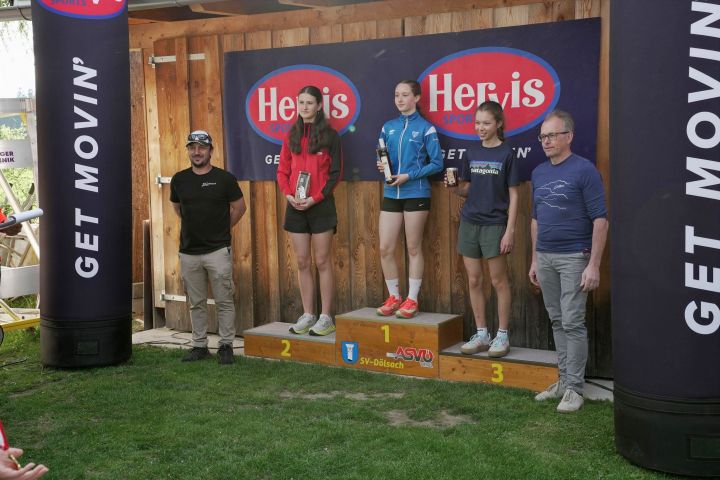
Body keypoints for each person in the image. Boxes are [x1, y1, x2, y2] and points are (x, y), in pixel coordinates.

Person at [528, 110, 608, 413]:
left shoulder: (585, 170)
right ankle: (563, 382)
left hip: (575, 256)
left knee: (573, 321)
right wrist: (534, 260)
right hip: (545, 256)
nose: (546, 141)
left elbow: (600, 220)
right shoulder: (539, 173)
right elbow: (536, 220)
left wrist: (594, 264)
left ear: (569, 136)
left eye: (552, 135)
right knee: (557, 319)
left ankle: (575, 388)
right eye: (543, 136)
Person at [447, 101, 519, 358]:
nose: (480, 127)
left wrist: (510, 230)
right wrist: (455, 187)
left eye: (486, 123)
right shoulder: (471, 152)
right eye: (477, 123)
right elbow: (467, 189)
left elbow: (514, 194)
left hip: (495, 224)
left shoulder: (507, 154)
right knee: (474, 279)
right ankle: (482, 334)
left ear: (498, 124)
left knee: (498, 280)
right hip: (469, 222)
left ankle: (502, 335)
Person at [170, 130, 246, 364]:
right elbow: (177, 208)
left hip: (217, 251)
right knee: (196, 303)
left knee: (224, 300)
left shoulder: (225, 179)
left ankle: (226, 346)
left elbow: (239, 208)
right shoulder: (179, 179)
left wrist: (222, 227)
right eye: (192, 147)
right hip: (189, 252)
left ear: (211, 151)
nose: (197, 152)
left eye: (202, 147)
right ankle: (199, 345)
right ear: (188, 151)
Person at [277, 85, 343, 336]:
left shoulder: (331, 136)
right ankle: (308, 314)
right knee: (302, 261)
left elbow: (336, 174)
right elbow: (282, 171)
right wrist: (289, 195)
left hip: (321, 205)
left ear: (319, 106)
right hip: (296, 205)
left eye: (309, 103)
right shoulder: (290, 136)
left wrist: (315, 198)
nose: (304, 107)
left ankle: (326, 317)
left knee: (322, 261)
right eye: (301, 102)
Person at [375, 80, 443, 319]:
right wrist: (381, 164)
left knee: (413, 247)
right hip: (391, 193)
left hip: (416, 192)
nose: (400, 99)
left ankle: (412, 299)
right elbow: (381, 155)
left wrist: (409, 176)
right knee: (385, 248)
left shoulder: (426, 128)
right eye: (397, 95)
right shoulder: (388, 127)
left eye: (405, 95)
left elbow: (437, 163)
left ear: (417, 98)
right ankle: (394, 297)